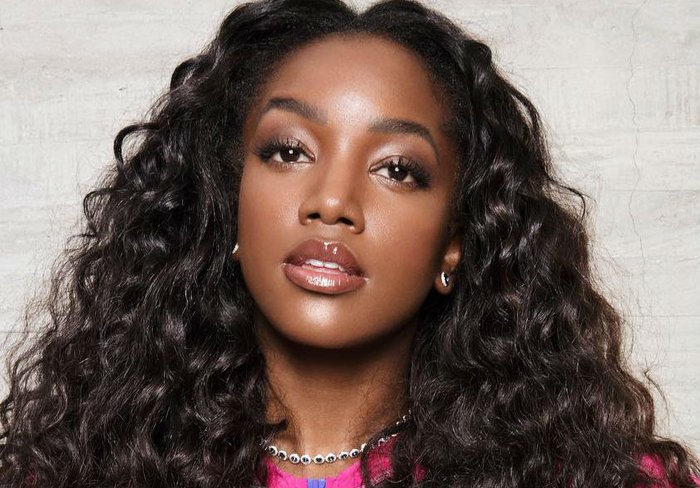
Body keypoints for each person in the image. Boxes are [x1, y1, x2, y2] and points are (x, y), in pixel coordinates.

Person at [0, 0, 697, 487]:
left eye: (397, 169)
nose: (332, 202)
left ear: (454, 244)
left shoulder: (600, 478)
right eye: (288, 151)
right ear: (229, 201)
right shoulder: (68, 472)